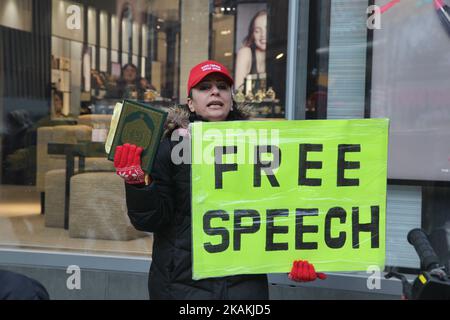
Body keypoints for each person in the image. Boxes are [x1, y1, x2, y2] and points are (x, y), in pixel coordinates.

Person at [113, 60, 324, 299]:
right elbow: (151, 221)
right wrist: (138, 185)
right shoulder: (169, 147)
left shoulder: (262, 148)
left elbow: (283, 207)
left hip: (244, 285)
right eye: (204, 87)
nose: (215, 91)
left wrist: (298, 256)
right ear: (190, 103)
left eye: (222, 86)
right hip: (181, 284)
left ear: (231, 98)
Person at [235, 10, 267, 92]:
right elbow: (238, 94)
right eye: (257, 31)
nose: (263, 35)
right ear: (252, 34)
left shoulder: (281, 55)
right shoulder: (245, 53)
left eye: (267, 28)